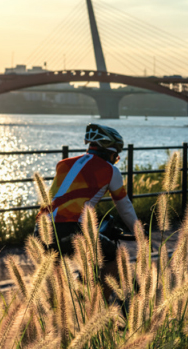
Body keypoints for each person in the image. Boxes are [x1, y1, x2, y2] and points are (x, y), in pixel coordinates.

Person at [36, 123, 141, 290]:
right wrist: (139, 231)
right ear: (110, 152)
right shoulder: (110, 170)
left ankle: (68, 302)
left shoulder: (63, 164)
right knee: (114, 256)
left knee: (56, 287)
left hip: (41, 229)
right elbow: (124, 206)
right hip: (71, 230)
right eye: (116, 156)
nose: (116, 160)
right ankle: (101, 307)